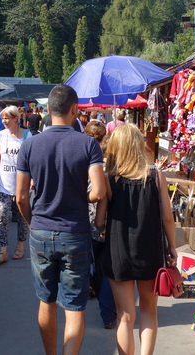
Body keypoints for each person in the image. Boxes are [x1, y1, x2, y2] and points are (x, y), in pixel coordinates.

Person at [16, 84, 106, 355]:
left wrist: (32, 222)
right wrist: (81, 197)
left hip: (41, 230)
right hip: (75, 232)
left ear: (47, 110)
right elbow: (99, 191)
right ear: (74, 109)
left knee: (46, 301)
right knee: (75, 307)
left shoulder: (29, 145)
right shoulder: (88, 144)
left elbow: (20, 197)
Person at [97, 123, 177, 355]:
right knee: (149, 311)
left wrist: (103, 228)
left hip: (118, 251)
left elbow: (100, 220)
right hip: (150, 250)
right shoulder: (154, 175)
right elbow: (167, 218)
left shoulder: (109, 177)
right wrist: (171, 246)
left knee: (124, 315)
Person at [83, 120, 117, 330]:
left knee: (92, 261)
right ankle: (107, 313)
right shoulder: (112, 163)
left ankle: (93, 288)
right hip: (108, 222)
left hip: (89, 221)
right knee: (106, 267)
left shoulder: (85, 161)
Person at [0, 105, 31, 265]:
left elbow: (31, 160)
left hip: (22, 186)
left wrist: (33, 179)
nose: (4, 121)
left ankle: (20, 246)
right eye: (2, 118)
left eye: (7, 118)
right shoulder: (1, 135)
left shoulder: (27, 136)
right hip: (3, 185)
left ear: (16, 118)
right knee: (2, 217)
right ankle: (3, 250)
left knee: (22, 218)